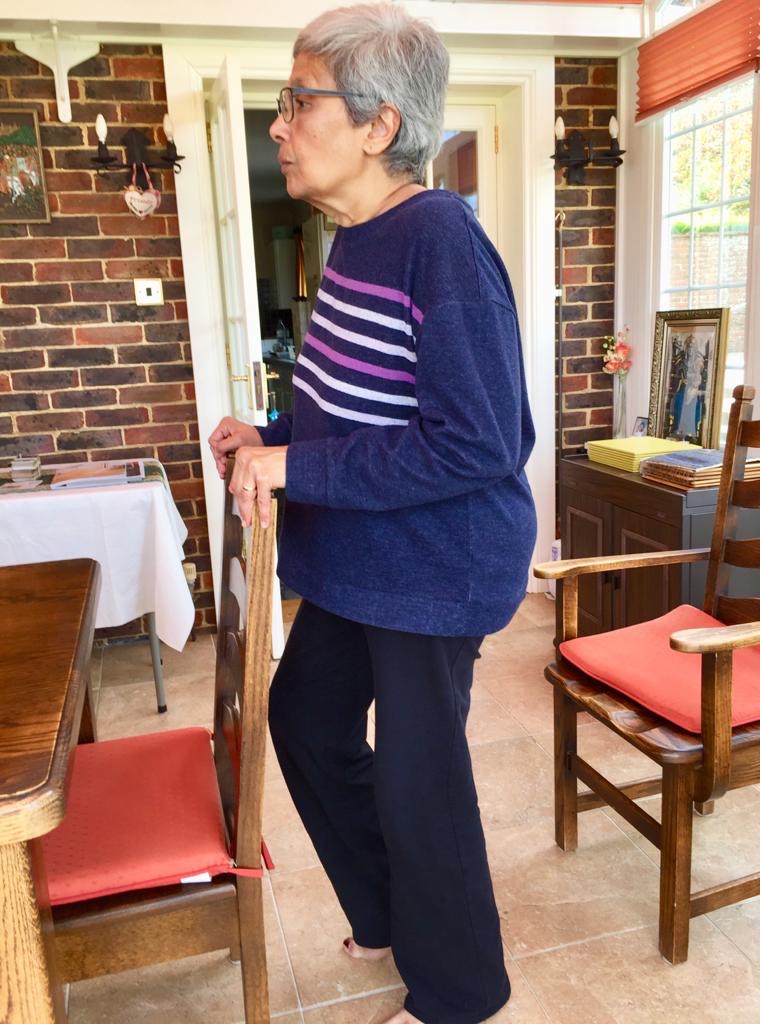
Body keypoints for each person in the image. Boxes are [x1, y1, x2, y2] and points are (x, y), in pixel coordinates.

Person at [209, 6, 536, 1022]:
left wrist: (296, 463)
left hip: (436, 563)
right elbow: (352, 404)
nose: (279, 125)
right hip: (363, 555)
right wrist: (267, 433)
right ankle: (394, 910)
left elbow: (479, 440)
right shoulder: (353, 241)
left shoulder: (440, 239)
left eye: (298, 101)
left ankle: (460, 992)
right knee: (304, 718)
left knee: (419, 780)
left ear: (377, 124)